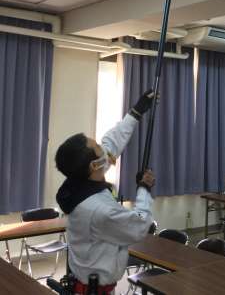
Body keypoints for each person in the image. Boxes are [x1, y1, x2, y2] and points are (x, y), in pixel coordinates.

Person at [55, 90, 156, 294]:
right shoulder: (99, 210)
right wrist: (144, 189)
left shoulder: (77, 183)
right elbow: (139, 225)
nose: (104, 148)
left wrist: (136, 112)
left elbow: (112, 143)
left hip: (86, 283)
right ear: (94, 165)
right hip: (95, 290)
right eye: (98, 148)